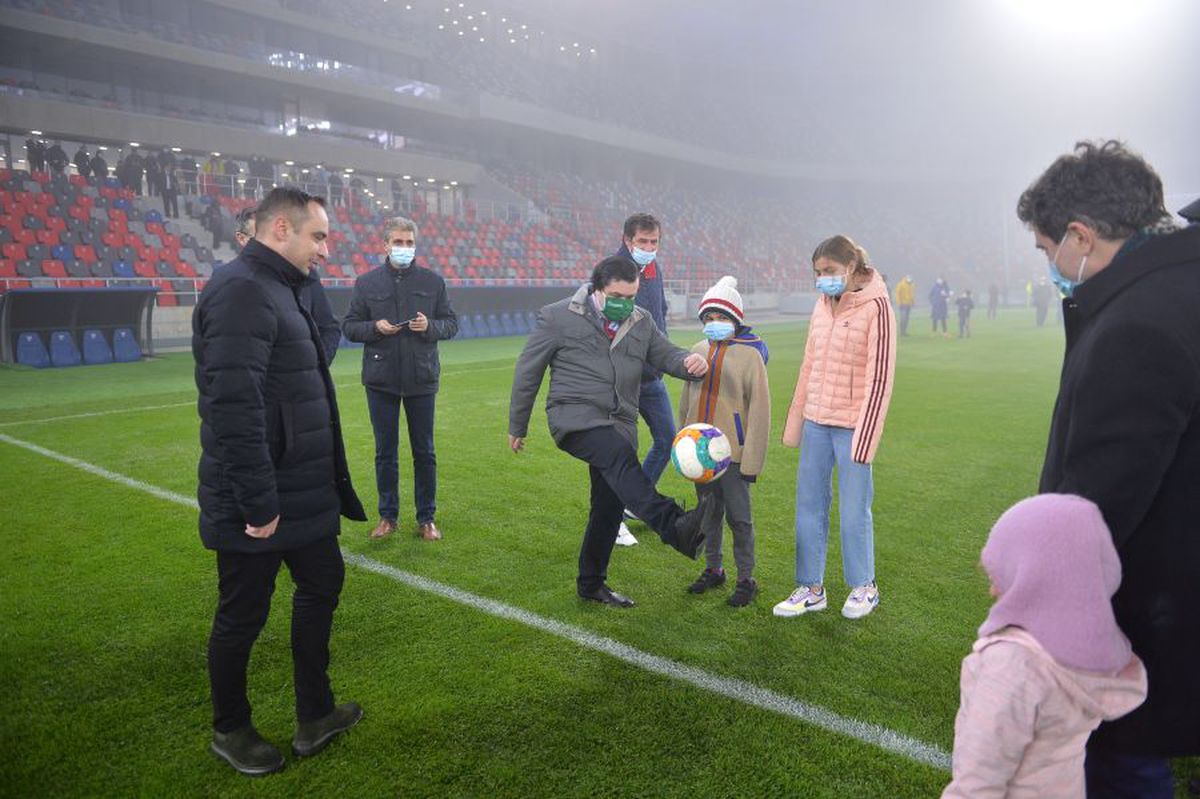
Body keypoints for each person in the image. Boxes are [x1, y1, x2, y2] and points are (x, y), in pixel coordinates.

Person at [1018, 140, 1200, 797]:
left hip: (1145, 623)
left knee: (1119, 763)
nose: (1052, 267)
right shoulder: (1182, 281)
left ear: (1080, 237)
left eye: (1046, 250)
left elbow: (1092, 517)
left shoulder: (1138, 327)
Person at [193, 186, 367, 776]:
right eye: (317, 236)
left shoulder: (285, 288)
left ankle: (315, 714)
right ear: (279, 231)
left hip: (304, 491)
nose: (325, 248)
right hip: (260, 499)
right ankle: (230, 728)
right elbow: (233, 408)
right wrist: (258, 502)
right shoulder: (242, 290)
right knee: (242, 613)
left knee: (323, 583)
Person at [508, 255, 715, 607]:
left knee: (607, 503)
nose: (625, 304)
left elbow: (666, 355)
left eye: (631, 297)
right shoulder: (558, 316)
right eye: (617, 296)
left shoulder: (641, 321)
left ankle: (591, 585)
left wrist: (690, 363)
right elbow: (529, 371)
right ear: (597, 289)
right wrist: (518, 424)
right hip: (574, 418)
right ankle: (676, 526)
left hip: (618, 423)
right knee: (619, 456)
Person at [942, 494, 1147, 798]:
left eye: (1003, 569)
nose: (991, 585)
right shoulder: (1093, 655)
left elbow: (977, 784)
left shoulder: (1010, 666)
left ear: (1036, 574)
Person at [774, 235, 896, 620]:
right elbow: (809, 366)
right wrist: (798, 419)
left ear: (851, 266)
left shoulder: (878, 308)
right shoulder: (821, 306)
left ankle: (864, 586)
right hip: (816, 423)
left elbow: (880, 379)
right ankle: (811, 588)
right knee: (809, 506)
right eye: (817, 273)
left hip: (851, 427)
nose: (822, 279)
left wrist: (865, 440)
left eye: (828, 271)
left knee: (854, 510)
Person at [342, 217, 458, 541]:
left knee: (425, 451)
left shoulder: (434, 282)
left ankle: (426, 518)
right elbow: (349, 326)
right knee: (385, 451)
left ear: (415, 245)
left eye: (409, 243)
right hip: (381, 379)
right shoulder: (366, 283)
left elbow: (451, 323)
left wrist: (430, 327)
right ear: (385, 245)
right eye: (398, 242)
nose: (404, 248)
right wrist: (374, 328)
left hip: (422, 377)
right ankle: (387, 516)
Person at [676, 277, 770, 608]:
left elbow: (760, 411)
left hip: (733, 457)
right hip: (701, 458)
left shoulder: (750, 357)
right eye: (709, 319)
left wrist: (752, 461)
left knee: (740, 519)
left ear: (735, 320)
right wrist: (682, 446)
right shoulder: (698, 351)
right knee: (708, 516)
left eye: (721, 318)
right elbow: (686, 402)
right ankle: (714, 569)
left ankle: (746, 578)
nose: (714, 324)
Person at [612, 212, 674, 547]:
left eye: (654, 242)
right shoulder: (613, 271)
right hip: (623, 378)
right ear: (627, 241)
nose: (649, 248)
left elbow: (659, 313)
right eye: (642, 242)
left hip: (652, 376)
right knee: (621, 450)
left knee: (668, 439)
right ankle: (613, 516)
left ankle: (633, 502)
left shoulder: (653, 269)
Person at [235, 205, 339, 362]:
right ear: (242, 239)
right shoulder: (228, 283)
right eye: (260, 236)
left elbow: (329, 328)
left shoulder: (307, 276)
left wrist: (316, 365)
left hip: (304, 382)